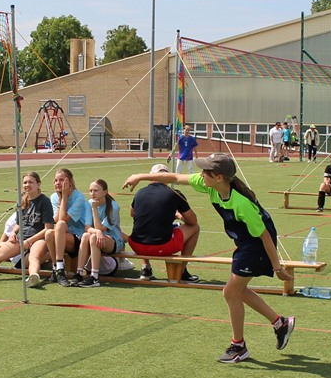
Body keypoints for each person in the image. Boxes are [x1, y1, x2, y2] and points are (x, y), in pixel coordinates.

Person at [124, 153, 294, 363]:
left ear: (219, 177)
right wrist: (140, 176)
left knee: (230, 292)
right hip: (244, 243)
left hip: (256, 246)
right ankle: (280, 323)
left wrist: (277, 268)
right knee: (238, 291)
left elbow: (265, 237)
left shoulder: (242, 204)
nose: (201, 174)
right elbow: (174, 178)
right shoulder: (209, 185)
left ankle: (239, 346)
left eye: (206, 171)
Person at [121, 163, 201, 282]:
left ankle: (145, 268)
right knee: (195, 228)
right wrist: (178, 216)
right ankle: (182, 271)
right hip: (162, 247)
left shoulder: (140, 192)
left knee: (144, 225)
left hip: (137, 246)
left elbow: (132, 213)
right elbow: (192, 221)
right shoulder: (174, 193)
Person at [30, 168, 92, 287]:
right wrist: (61, 199)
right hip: (62, 236)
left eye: (62, 180)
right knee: (49, 233)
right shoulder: (54, 197)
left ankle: (58, 267)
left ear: (70, 182)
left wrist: (64, 197)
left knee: (61, 224)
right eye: (56, 180)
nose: (58, 183)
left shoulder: (78, 197)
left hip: (79, 238)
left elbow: (62, 219)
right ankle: (58, 269)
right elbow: (56, 219)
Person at [72, 179, 124, 288]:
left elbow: (100, 228)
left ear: (105, 192)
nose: (92, 193)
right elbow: (87, 227)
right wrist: (97, 231)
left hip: (115, 242)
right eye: (90, 191)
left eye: (96, 190)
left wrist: (94, 209)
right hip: (97, 237)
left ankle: (94, 277)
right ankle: (79, 273)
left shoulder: (113, 206)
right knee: (86, 235)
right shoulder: (89, 203)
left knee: (93, 238)